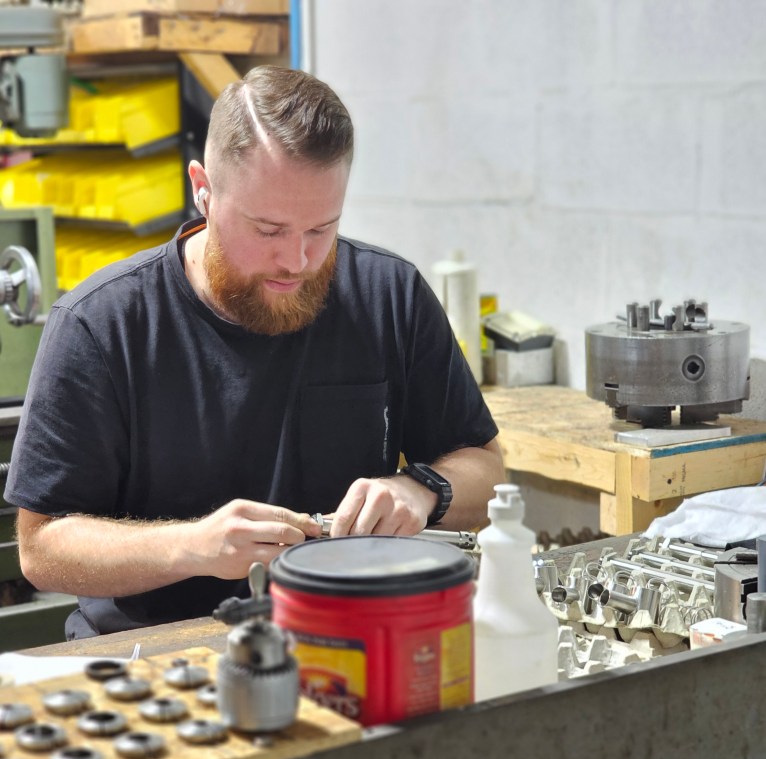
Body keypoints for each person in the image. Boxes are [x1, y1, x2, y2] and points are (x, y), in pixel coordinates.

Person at [5, 66, 504, 638]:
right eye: (268, 230)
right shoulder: (101, 324)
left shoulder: (388, 295)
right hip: (152, 650)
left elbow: (487, 470)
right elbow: (41, 547)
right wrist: (191, 547)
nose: (297, 260)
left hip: (342, 635)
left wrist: (418, 490)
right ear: (204, 188)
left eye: (322, 228)